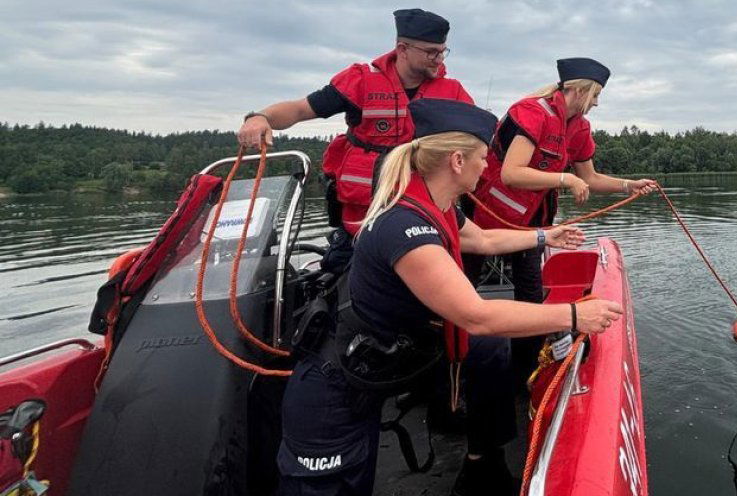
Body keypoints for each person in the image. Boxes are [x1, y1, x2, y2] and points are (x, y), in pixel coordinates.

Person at [278, 99, 623, 496]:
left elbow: (483, 239)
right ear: (457, 161)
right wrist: (574, 316)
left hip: (392, 350)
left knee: (488, 350)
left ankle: (483, 465)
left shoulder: (435, 205)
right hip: (338, 388)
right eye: (482, 157)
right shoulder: (406, 228)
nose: (488, 167)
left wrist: (545, 236)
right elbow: (476, 315)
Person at [237, 8, 472, 273]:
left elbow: (479, 141)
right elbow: (301, 109)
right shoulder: (360, 81)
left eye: (442, 51)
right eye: (431, 51)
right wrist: (260, 117)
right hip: (359, 224)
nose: (439, 59)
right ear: (403, 48)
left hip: (421, 221)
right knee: (337, 288)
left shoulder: (453, 92)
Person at [466, 57, 659, 377]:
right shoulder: (531, 112)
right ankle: (454, 365)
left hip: (531, 223)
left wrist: (629, 185)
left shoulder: (580, 128)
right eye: (595, 96)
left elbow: (591, 178)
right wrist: (564, 179)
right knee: (464, 287)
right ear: (581, 91)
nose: (597, 103)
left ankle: (525, 372)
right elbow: (512, 173)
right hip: (486, 214)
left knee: (530, 293)